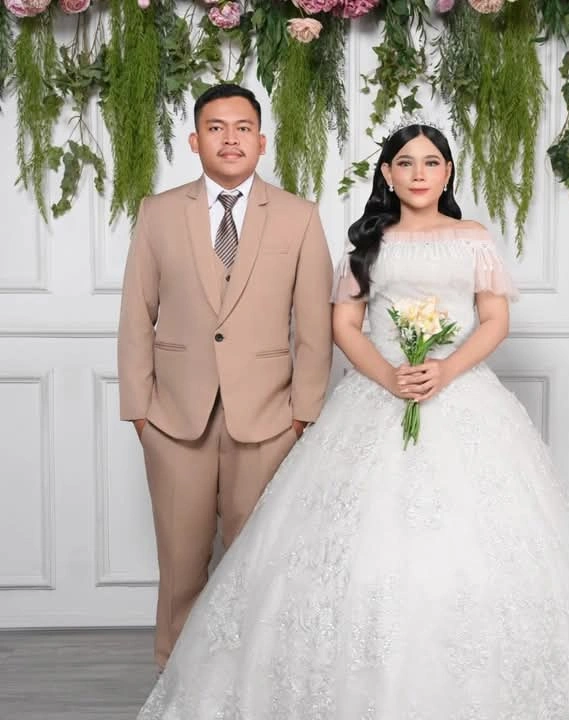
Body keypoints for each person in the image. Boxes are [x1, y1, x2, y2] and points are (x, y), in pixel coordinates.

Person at [136, 122, 569, 719]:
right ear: (387, 175)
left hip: (460, 394)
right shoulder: (369, 243)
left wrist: (445, 370)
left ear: (448, 173)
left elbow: (495, 320)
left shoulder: (472, 239)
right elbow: (343, 326)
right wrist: (390, 377)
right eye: (405, 163)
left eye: (431, 162)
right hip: (378, 395)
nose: (418, 174)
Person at [117, 83, 334, 671]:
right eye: (216, 128)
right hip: (173, 420)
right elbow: (136, 315)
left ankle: (251, 678)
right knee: (180, 565)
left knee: (256, 564)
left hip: (268, 421)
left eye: (243, 128)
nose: (230, 138)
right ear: (195, 141)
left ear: (262, 141)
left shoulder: (298, 216)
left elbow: (314, 326)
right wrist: (140, 413)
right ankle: (175, 680)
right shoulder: (159, 213)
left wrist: (302, 415)